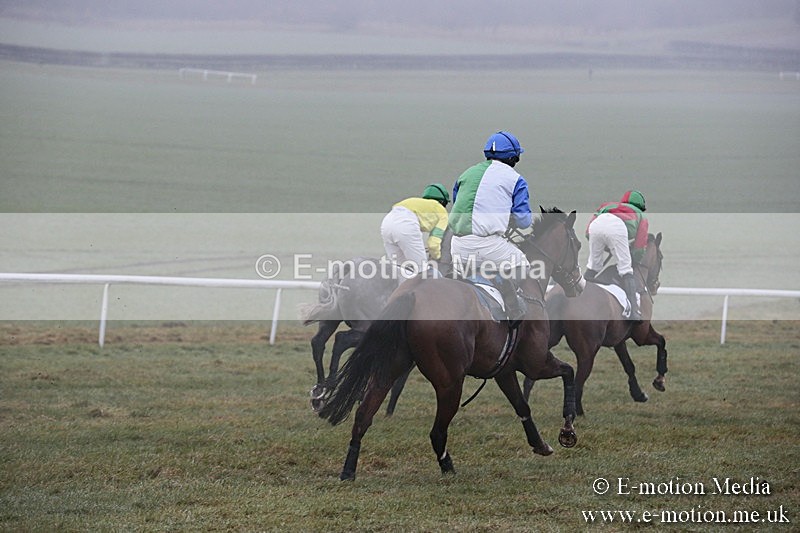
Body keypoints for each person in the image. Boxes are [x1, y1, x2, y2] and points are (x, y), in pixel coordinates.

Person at [449, 131, 532, 323]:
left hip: (458, 245)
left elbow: (459, 203)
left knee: (470, 277)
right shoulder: (516, 179)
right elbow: (524, 222)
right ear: (514, 157)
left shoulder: (466, 173)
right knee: (523, 266)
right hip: (489, 245)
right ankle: (512, 306)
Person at [585, 189, 649, 322]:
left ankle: (580, 295)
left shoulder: (608, 205)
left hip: (596, 225)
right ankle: (634, 313)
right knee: (626, 270)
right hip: (617, 228)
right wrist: (634, 260)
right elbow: (639, 246)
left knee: (593, 266)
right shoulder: (641, 216)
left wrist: (607, 247)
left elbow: (587, 232)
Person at [380, 183, 450, 274]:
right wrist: (437, 256)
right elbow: (433, 244)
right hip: (406, 226)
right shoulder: (441, 211)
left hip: (386, 224)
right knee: (424, 272)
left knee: (400, 270)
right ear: (442, 202)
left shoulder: (414, 202)